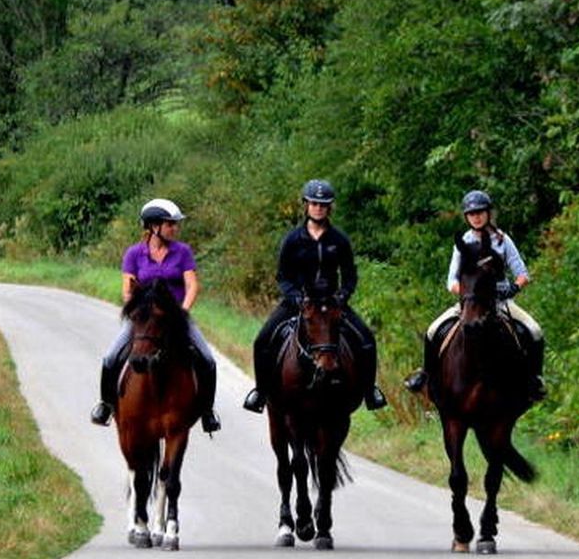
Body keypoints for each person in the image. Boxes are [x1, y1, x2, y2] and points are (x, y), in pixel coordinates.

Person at [242, 179, 387, 413]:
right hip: (298, 303)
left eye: (323, 204)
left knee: (367, 339)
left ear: (329, 208)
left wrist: (342, 296)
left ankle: (370, 391)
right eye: (314, 203)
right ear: (306, 205)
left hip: (331, 303)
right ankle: (261, 392)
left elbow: (350, 275)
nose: (318, 208)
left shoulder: (339, 240)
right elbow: (282, 276)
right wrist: (296, 299)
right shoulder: (292, 240)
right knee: (262, 340)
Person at [90, 198, 221, 433]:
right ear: (153, 226)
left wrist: (183, 311)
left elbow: (192, 285)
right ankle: (106, 405)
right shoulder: (134, 254)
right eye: (170, 224)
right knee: (110, 358)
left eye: (175, 224)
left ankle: (207, 411)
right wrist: (136, 313)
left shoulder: (183, 252)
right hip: (143, 320)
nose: (175, 228)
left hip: (175, 318)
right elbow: (127, 290)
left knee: (207, 360)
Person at [404, 189, 546, 401]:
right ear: (466, 217)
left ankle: (534, 381)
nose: (476, 217)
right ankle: (427, 377)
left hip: (501, 301)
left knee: (534, 330)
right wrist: (470, 294)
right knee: (432, 331)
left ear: (488, 213)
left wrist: (514, 288)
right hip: (470, 303)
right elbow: (451, 281)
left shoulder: (503, 240)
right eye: (472, 213)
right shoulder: (463, 242)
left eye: (480, 212)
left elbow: (523, 275)